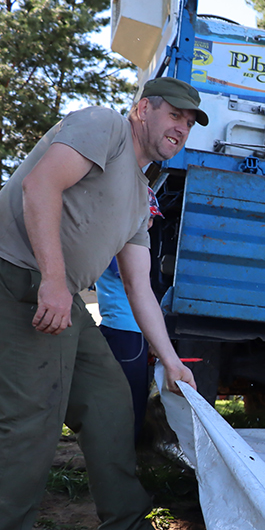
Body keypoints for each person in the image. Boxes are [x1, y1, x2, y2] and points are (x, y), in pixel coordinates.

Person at [0, 77, 208, 530]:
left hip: (53, 290)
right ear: (143, 110)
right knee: (28, 412)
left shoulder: (142, 194)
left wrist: (171, 361)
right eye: (173, 114)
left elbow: (140, 286)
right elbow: (40, 185)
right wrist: (52, 279)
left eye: (189, 122)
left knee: (110, 398)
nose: (180, 127)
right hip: (10, 275)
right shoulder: (104, 126)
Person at [95, 188, 162, 443]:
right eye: (148, 216)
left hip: (126, 330)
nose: (151, 223)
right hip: (126, 331)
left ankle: (120, 455)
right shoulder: (120, 246)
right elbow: (135, 285)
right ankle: (121, 458)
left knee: (129, 400)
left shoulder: (113, 242)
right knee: (130, 403)